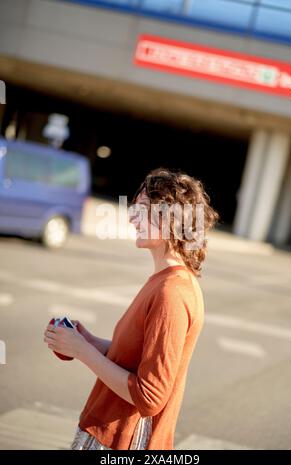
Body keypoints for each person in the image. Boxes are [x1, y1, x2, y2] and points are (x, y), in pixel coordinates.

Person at [44, 167, 219, 450]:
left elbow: (149, 397)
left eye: (142, 209)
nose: (131, 217)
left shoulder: (172, 292)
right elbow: (140, 358)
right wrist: (88, 341)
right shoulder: (166, 281)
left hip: (121, 443)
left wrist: (81, 351)